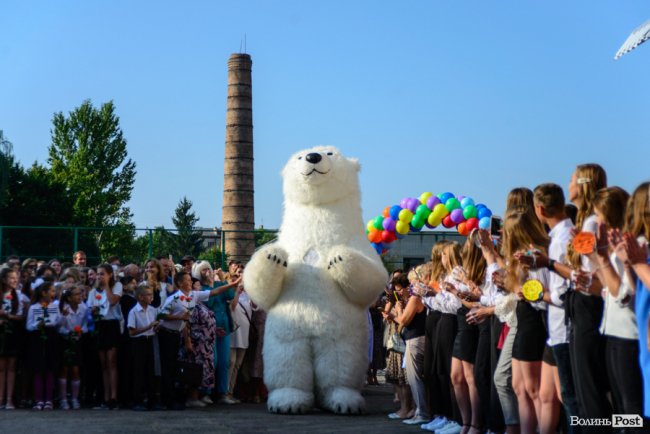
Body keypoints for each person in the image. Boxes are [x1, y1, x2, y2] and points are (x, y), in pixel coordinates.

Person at [532, 183, 578, 433]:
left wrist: (535, 292)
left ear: (539, 209)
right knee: (547, 394)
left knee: (571, 400)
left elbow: (562, 294)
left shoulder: (561, 240)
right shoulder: (558, 236)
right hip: (555, 329)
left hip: (564, 328)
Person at [158, 271, 240, 409]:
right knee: (168, 368)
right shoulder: (174, 298)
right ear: (180, 283)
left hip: (178, 333)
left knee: (174, 368)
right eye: (188, 280)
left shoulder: (193, 295)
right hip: (167, 334)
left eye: (191, 280)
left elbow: (215, 292)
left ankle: (172, 400)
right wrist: (179, 317)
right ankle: (167, 400)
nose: (190, 282)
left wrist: (232, 284)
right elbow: (160, 315)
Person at [86, 264, 123, 409]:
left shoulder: (117, 285)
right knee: (103, 365)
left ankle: (114, 397)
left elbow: (113, 300)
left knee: (112, 362)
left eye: (102, 274)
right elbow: (90, 311)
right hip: (100, 326)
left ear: (109, 275)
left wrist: (107, 285)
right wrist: (93, 310)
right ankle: (106, 398)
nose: (99, 276)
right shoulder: (93, 291)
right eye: (98, 274)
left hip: (112, 325)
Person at [27, 280, 64, 410]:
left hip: (51, 336)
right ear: (44, 293)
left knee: (49, 369)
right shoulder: (34, 307)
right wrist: (37, 326)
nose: (54, 293)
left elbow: (58, 322)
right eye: (52, 291)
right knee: (38, 369)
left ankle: (49, 399)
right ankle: (39, 400)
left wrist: (63, 316)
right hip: (37, 337)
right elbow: (28, 325)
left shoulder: (54, 306)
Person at [127, 283, 159, 411]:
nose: (151, 297)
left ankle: (152, 400)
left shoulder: (152, 310)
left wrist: (157, 327)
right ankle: (137, 401)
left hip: (149, 340)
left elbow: (154, 327)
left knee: (150, 371)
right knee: (139, 371)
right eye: (149, 295)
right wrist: (149, 326)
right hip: (138, 342)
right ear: (140, 297)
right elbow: (131, 332)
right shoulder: (133, 311)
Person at [57, 284, 87, 410]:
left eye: (80, 293)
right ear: (69, 298)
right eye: (76, 294)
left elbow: (86, 324)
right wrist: (68, 332)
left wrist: (81, 332)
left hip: (78, 340)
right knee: (64, 369)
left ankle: (74, 399)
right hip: (65, 340)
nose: (80, 296)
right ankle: (63, 399)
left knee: (75, 369)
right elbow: (59, 326)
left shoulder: (83, 308)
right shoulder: (62, 308)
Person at [0, 268, 25, 410]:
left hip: (14, 333)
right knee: (1, 368)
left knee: (11, 368)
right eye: (11, 278)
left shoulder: (20, 295)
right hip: (1, 334)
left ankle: (9, 400)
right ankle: (0, 398)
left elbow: (22, 316)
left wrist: (8, 316)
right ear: (3, 280)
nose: (15, 280)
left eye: (16, 277)